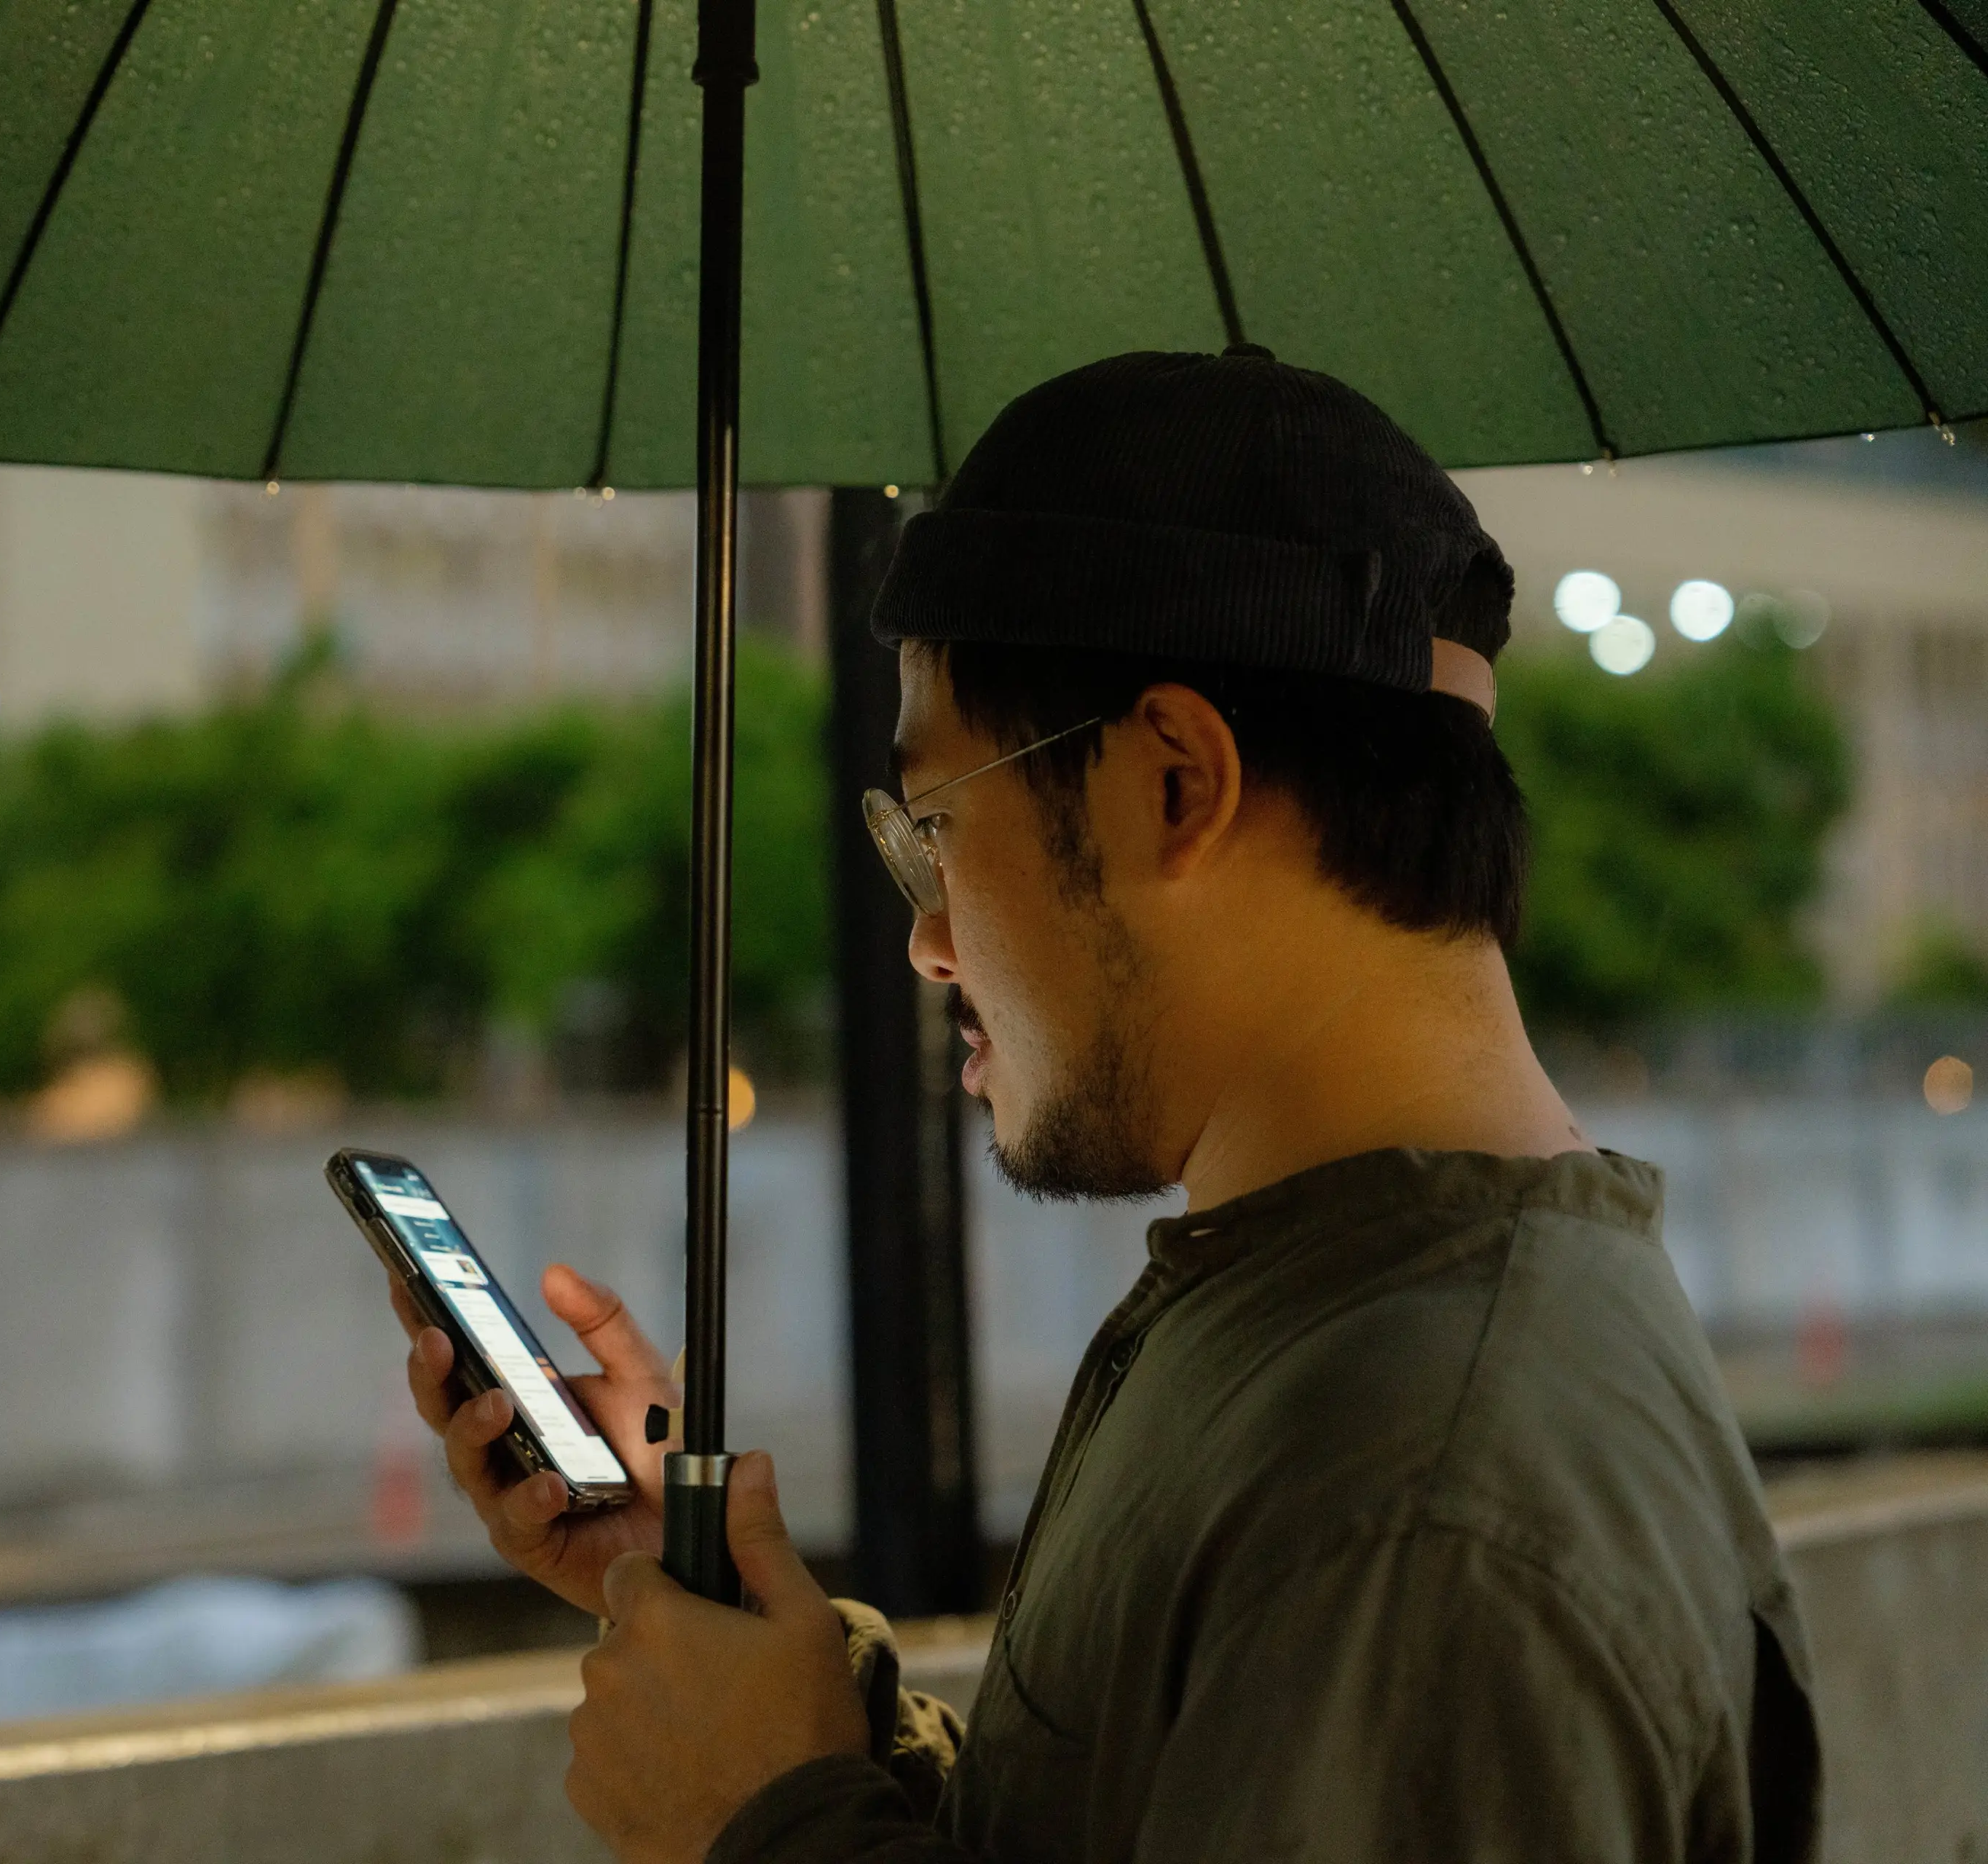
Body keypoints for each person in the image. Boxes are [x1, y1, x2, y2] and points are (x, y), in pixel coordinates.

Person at [392, 347, 1820, 1863]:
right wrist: (754, 1659)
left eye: (938, 819)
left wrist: (759, 1819)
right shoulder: (1333, 1320)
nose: (927, 934)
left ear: (1175, 784)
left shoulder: (1421, 1496)